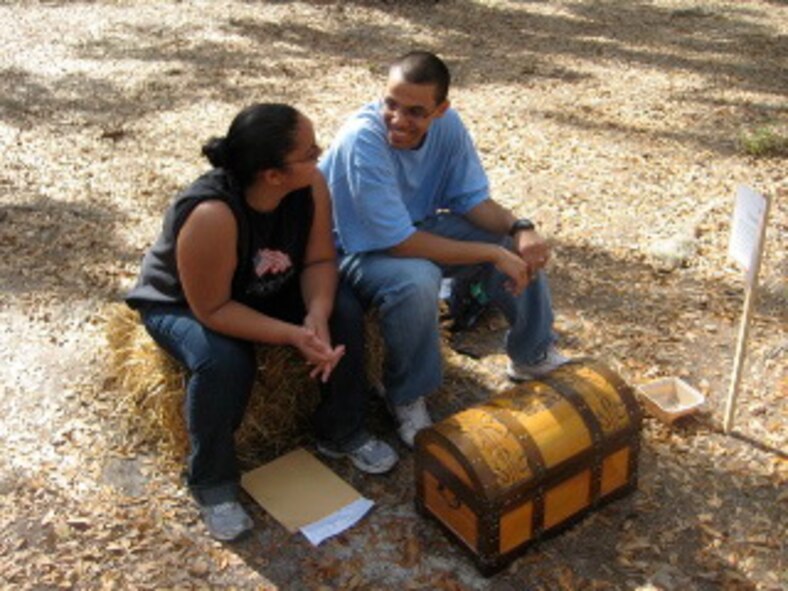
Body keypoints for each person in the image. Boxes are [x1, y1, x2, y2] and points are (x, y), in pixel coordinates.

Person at [126, 103, 398, 542]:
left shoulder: (311, 184)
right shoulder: (212, 214)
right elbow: (213, 309)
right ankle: (212, 482)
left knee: (344, 311)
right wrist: (293, 334)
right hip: (184, 304)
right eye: (310, 153)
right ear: (273, 175)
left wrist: (316, 314)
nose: (320, 157)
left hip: (261, 287)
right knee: (224, 362)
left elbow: (320, 260)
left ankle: (342, 430)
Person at [319, 51, 568, 448]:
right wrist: (491, 255)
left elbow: (471, 200)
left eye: (415, 111)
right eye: (390, 104)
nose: (398, 119)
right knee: (419, 279)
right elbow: (398, 243)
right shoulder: (361, 138)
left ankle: (532, 354)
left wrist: (521, 228)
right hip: (349, 248)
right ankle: (406, 394)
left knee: (513, 244)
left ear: (441, 110)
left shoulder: (448, 128)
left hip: (412, 228)